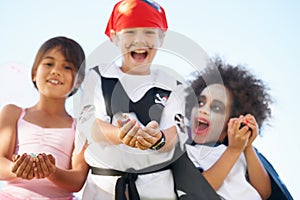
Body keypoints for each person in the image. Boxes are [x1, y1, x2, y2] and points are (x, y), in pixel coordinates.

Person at [74, 0, 217, 199]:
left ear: (161, 37)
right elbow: (91, 127)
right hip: (102, 189)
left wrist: (157, 139)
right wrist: (122, 135)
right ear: (114, 37)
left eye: (149, 32)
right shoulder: (97, 76)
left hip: (157, 188)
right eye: (130, 32)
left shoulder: (174, 84)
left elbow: (175, 133)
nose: (139, 41)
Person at [0, 36, 89, 199]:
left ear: (78, 81)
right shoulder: (12, 113)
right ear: (34, 73)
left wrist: (51, 172)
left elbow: (78, 179)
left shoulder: (80, 127)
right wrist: (17, 169)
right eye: (49, 63)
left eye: (67, 67)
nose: (56, 71)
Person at [185, 57, 273, 199]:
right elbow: (199, 190)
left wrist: (247, 146)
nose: (203, 110)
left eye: (216, 107)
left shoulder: (242, 154)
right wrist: (234, 150)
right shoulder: (189, 152)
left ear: (231, 121)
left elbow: (264, 192)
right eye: (200, 102)